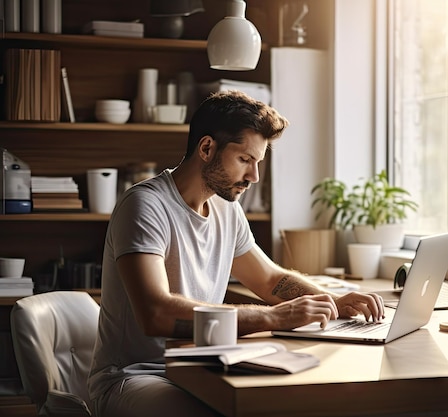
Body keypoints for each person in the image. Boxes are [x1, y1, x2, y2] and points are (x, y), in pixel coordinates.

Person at [88, 90, 385, 417]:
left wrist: (333, 301)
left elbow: (270, 279)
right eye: (245, 160)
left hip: (203, 366)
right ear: (206, 148)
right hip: (137, 376)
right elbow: (156, 312)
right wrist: (274, 317)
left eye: (257, 162)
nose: (254, 177)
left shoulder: (225, 208)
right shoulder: (145, 205)